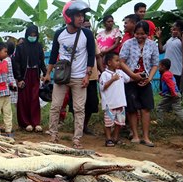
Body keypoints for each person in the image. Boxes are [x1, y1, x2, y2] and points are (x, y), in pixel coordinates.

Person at [43, 0, 95, 149]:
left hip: (80, 78)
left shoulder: (87, 34)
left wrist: (87, 75)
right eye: (78, 15)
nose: (81, 19)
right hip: (61, 77)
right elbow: (53, 55)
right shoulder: (59, 34)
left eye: (83, 15)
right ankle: (53, 134)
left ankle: (77, 139)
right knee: (55, 106)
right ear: (68, 17)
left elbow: (91, 56)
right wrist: (47, 74)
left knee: (79, 109)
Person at [119, 20, 159, 146]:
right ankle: (135, 135)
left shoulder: (152, 45)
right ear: (134, 33)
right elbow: (121, 62)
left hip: (145, 80)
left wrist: (149, 78)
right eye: (137, 33)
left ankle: (146, 137)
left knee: (146, 108)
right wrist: (132, 75)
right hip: (130, 80)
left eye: (142, 34)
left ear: (147, 33)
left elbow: (155, 64)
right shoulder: (128, 44)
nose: (139, 36)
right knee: (132, 108)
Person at [14, 25, 46, 132]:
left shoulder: (38, 46)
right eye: (31, 35)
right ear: (27, 35)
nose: (33, 37)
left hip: (35, 74)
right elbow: (17, 63)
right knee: (23, 99)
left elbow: (41, 62)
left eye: (34, 35)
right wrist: (19, 78)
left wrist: (46, 74)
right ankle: (25, 123)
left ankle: (35, 122)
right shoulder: (20, 47)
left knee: (34, 98)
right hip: (24, 75)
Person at [100, 52, 130, 147]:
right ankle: (108, 138)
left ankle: (115, 138)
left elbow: (128, 79)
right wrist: (112, 79)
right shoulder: (105, 74)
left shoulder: (120, 72)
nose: (119, 63)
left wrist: (138, 76)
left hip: (120, 103)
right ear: (109, 62)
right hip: (110, 104)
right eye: (116, 61)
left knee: (119, 122)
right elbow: (102, 87)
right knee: (108, 122)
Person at [158, 20, 183, 88]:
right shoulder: (170, 40)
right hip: (166, 72)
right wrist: (159, 38)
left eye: (174, 27)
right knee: (165, 92)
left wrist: (180, 36)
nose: (171, 28)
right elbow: (161, 50)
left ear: (179, 29)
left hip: (176, 72)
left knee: (176, 94)